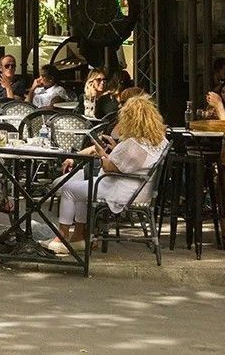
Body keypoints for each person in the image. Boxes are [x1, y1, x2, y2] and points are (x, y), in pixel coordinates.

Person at [49, 94, 168, 255]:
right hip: (140, 190)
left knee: (69, 189)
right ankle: (78, 237)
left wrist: (101, 151)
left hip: (120, 190)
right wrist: (116, 148)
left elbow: (109, 166)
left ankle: (62, 237)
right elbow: (133, 163)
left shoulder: (133, 144)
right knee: (81, 190)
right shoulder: (159, 141)